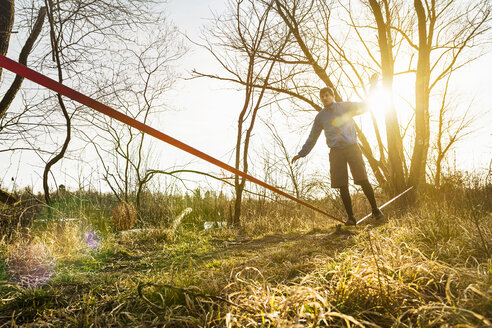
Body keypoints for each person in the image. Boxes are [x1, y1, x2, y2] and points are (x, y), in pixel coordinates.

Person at [291, 79, 383, 226]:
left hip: (352, 148)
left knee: (362, 178)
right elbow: (312, 136)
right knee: (342, 184)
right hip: (336, 152)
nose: (325, 98)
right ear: (321, 99)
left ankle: (375, 210)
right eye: (322, 96)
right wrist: (302, 153)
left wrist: (373, 87)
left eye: (327, 95)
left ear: (332, 96)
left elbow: (365, 106)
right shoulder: (320, 117)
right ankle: (351, 217)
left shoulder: (344, 107)